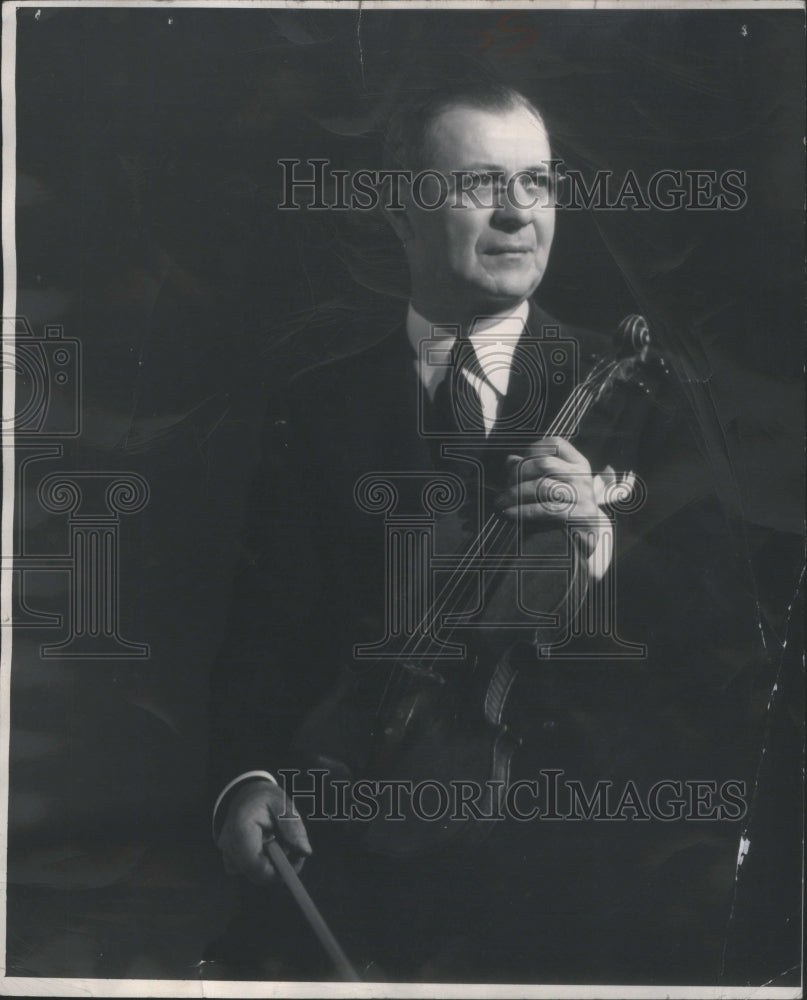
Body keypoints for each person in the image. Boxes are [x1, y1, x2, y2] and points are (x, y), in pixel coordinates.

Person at [206, 79, 757, 983]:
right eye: (476, 185)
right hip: (350, 862)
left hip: (588, 886)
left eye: (536, 183)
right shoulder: (317, 408)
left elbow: (726, 643)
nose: (515, 215)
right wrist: (247, 778)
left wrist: (599, 546)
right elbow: (264, 631)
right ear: (399, 209)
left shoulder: (646, 397)